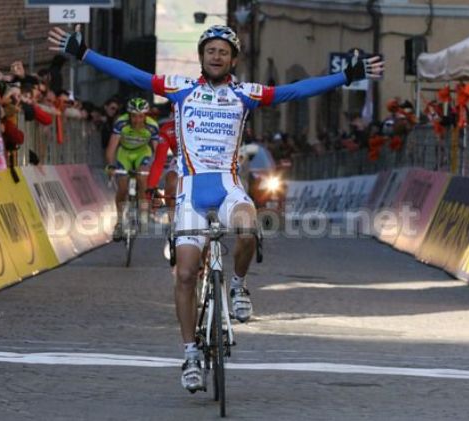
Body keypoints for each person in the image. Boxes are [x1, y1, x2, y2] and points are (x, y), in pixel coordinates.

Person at [49, 24, 384, 392]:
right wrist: (84, 54)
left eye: (223, 51)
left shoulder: (246, 93)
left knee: (248, 225)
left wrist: (346, 76)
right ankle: (190, 354)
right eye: (210, 50)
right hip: (191, 192)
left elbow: (295, 90)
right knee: (186, 274)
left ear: (234, 59)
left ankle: (239, 286)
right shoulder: (180, 89)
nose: (216, 56)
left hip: (227, 188)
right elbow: (131, 74)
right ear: (201, 56)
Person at [105, 97, 159, 240]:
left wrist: (156, 170)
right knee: (122, 188)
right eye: (134, 116)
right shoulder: (121, 123)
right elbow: (111, 148)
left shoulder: (152, 126)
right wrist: (110, 165)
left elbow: (157, 150)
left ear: (146, 115)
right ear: (129, 115)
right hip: (125, 153)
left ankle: (142, 213)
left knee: (142, 178)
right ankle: (119, 222)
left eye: (141, 116)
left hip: (142, 152)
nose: (137, 120)